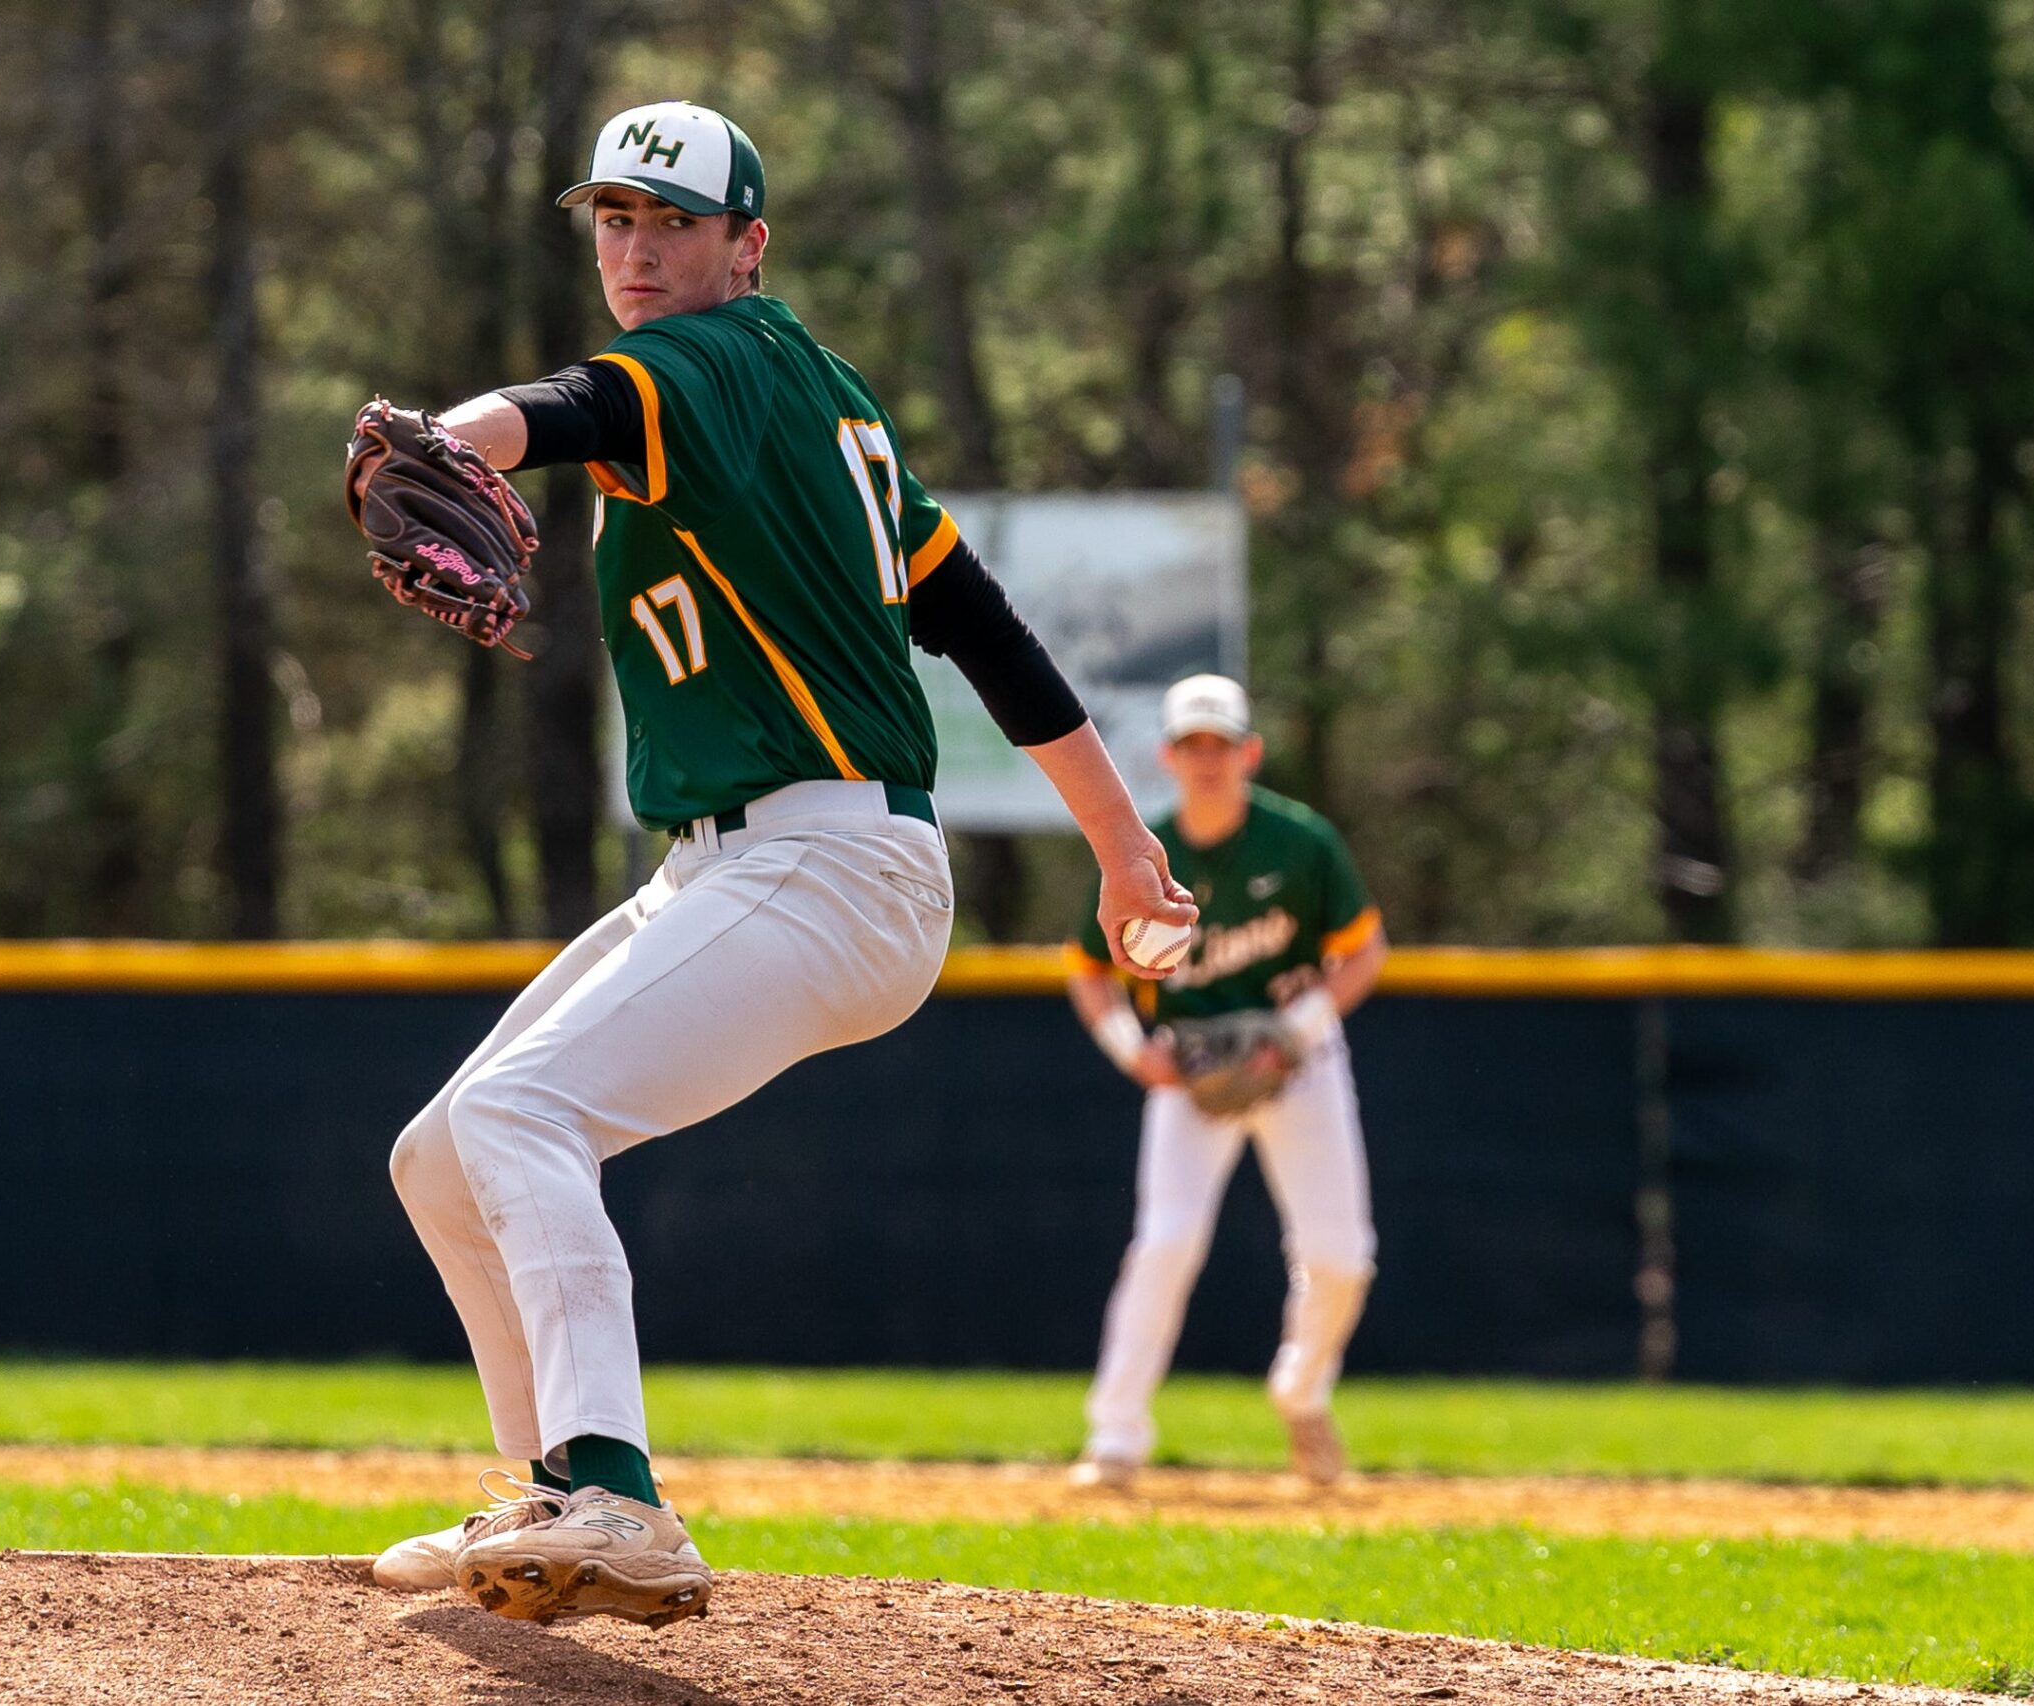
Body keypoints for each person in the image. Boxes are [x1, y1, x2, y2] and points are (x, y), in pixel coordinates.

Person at [369, 99, 1195, 1627]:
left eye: (672, 222)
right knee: (442, 1152)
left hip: (823, 862)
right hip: (760, 866)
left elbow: (568, 408)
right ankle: (553, 1493)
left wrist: (443, 442)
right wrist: (1125, 847)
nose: (637, 249)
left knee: (523, 1111)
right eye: (613, 219)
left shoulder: (721, 360)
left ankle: (621, 1495)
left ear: (746, 245)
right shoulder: (829, 407)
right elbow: (982, 628)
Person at [1065, 674, 1387, 1488]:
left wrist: (1293, 1033)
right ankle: (1115, 1439)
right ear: (1168, 756)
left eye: (1221, 744)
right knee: (1166, 1243)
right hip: (1192, 1077)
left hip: (1300, 1064)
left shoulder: (1301, 842)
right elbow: (1087, 969)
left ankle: (1302, 1391)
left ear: (1250, 751)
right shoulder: (1146, 854)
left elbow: (1365, 952)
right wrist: (1131, 1049)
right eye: (1192, 745)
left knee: (1342, 1257)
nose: (1208, 760)